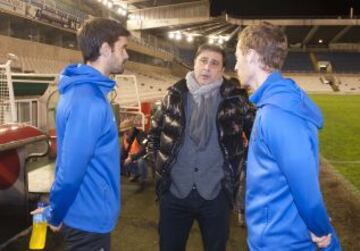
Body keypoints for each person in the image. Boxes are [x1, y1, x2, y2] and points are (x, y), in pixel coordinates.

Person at [235, 22, 341, 250]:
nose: (235, 65)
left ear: (252, 56)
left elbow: (304, 184)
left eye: (238, 57)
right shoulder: (274, 105)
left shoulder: (278, 114)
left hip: (282, 240)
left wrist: (320, 227)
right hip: (278, 234)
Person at [31, 17, 130, 251]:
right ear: (105, 49)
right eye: (123, 48)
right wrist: (54, 213)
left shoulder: (85, 93)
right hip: (89, 220)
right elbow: (71, 170)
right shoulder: (88, 100)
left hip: (85, 212)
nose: (127, 55)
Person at [148, 43, 254, 251]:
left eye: (214, 63)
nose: (207, 67)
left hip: (216, 196)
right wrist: (159, 167)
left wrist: (239, 168)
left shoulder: (236, 99)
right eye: (203, 61)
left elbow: (259, 139)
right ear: (193, 64)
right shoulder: (173, 95)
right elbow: (154, 134)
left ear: (222, 70)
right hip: (175, 194)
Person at [120, 120, 148, 190]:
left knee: (141, 161)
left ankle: (143, 180)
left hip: (142, 158)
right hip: (132, 160)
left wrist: (131, 158)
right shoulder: (125, 137)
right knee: (119, 159)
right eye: (124, 131)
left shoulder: (141, 135)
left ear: (132, 128)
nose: (125, 132)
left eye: (127, 130)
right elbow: (123, 153)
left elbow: (143, 150)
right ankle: (135, 174)